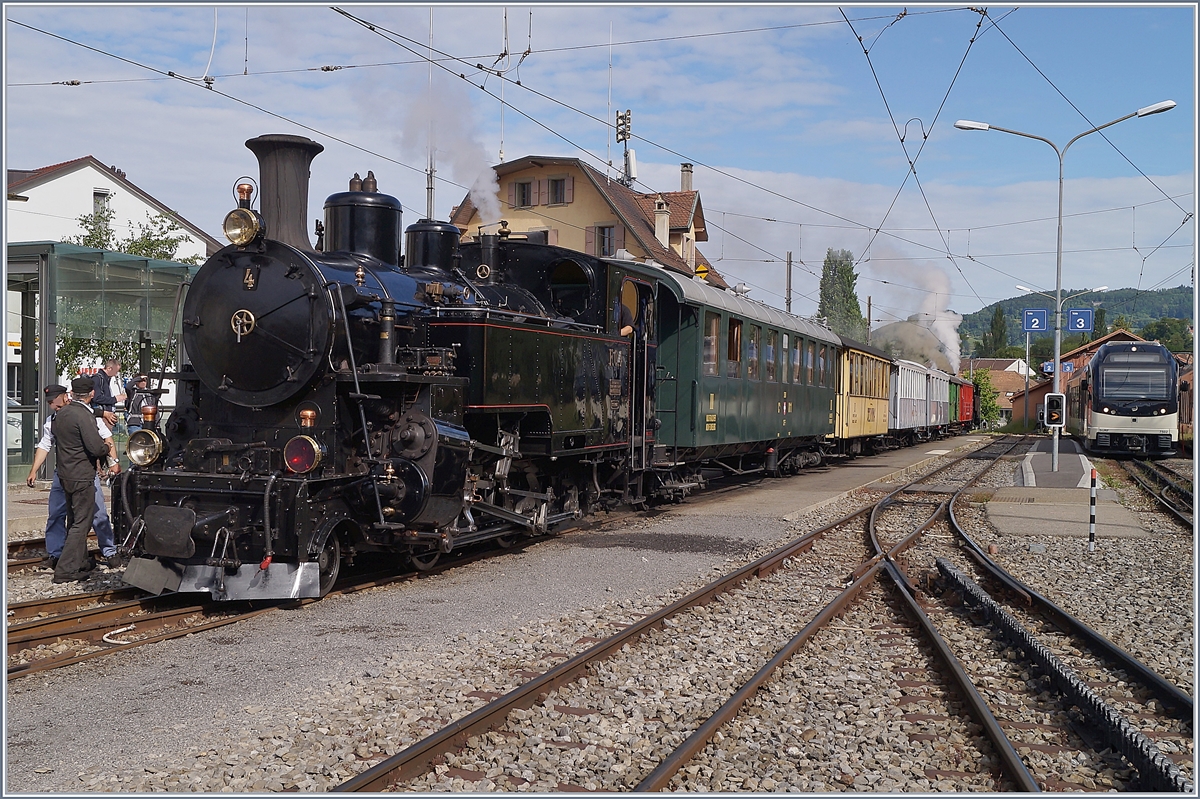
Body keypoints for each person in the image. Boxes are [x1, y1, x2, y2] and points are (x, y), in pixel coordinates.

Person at [27, 384, 123, 570]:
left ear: (64, 397)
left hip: (84, 473)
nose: (51, 405)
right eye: (48, 402)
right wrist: (34, 471)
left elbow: (106, 438)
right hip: (63, 473)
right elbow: (45, 445)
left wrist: (113, 462)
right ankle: (57, 553)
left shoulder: (84, 414)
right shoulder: (52, 420)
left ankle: (109, 551)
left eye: (52, 401)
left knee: (98, 513)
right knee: (57, 513)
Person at [50, 377, 115, 583]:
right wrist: (107, 448)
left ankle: (78, 562)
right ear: (92, 394)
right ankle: (66, 569)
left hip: (65, 474)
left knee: (73, 520)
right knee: (82, 523)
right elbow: (95, 448)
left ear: (72, 393)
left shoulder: (62, 414)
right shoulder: (83, 416)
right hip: (81, 476)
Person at [91, 358, 125, 427]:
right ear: (109, 368)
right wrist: (115, 399)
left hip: (107, 416)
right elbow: (96, 398)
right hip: (101, 417)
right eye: (115, 371)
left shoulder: (105, 379)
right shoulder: (98, 379)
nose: (115, 374)